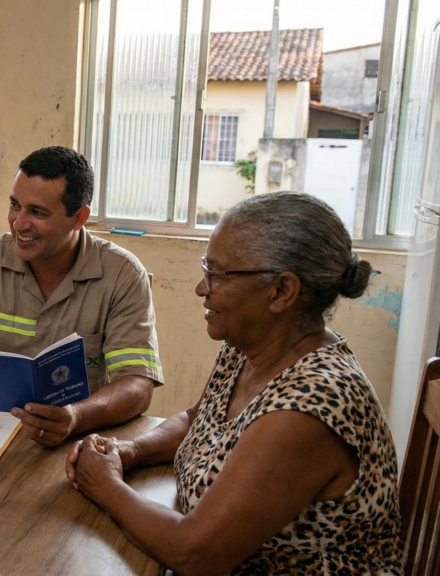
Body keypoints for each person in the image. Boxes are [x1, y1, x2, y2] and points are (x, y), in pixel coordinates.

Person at [65, 192, 402, 574]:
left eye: (218, 274)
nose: (201, 287)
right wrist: (129, 452)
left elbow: (194, 553)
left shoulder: (311, 406)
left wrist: (105, 485)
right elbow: (198, 420)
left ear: (282, 291)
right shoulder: (249, 347)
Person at [0, 146, 162, 447]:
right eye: (15, 205)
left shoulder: (123, 274)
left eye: (37, 212)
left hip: (75, 438)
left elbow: (137, 384)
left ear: (79, 217)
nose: (19, 223)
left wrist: (76, 416)